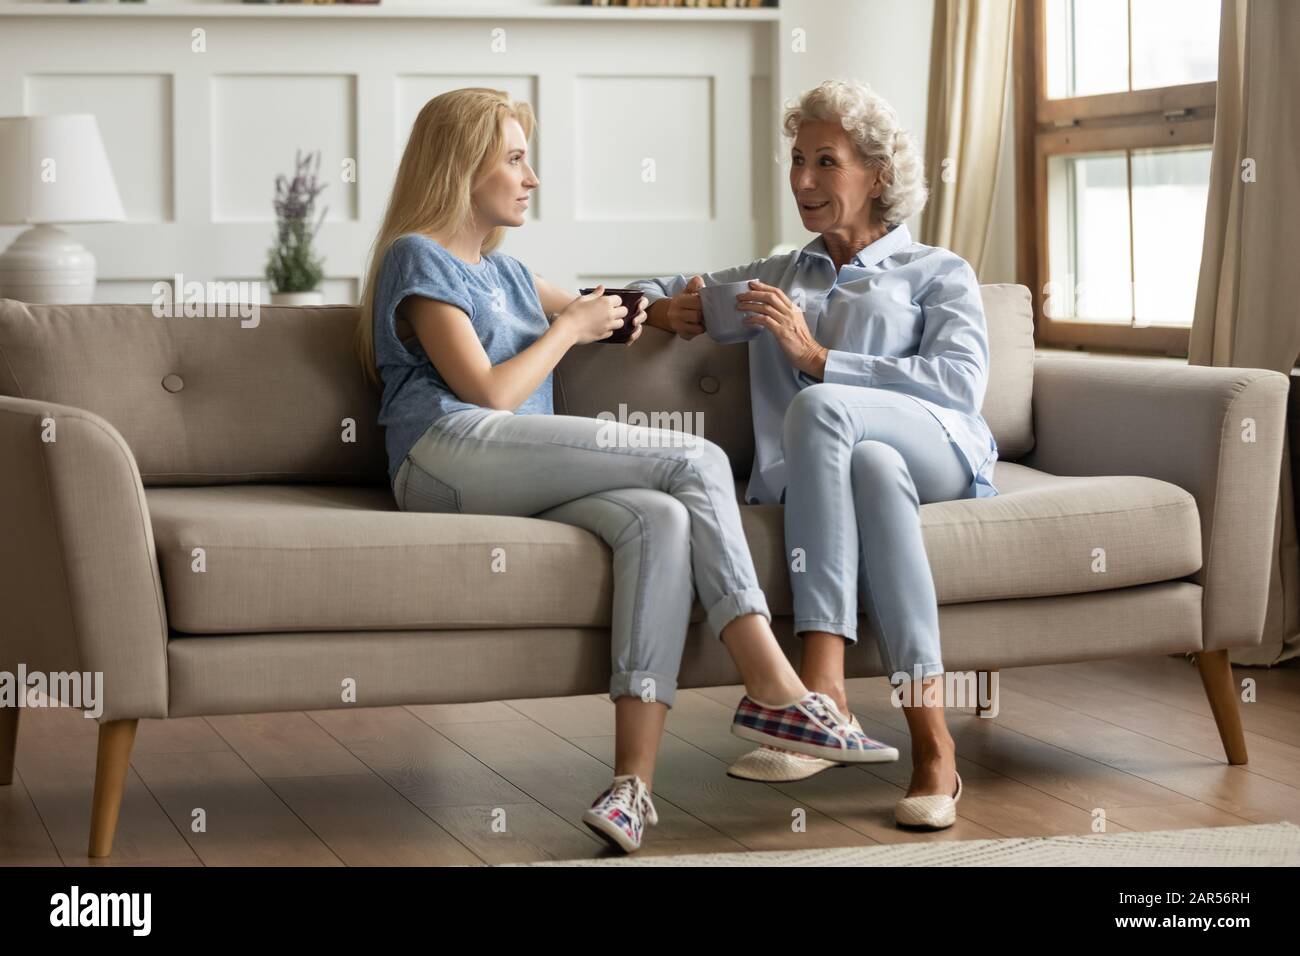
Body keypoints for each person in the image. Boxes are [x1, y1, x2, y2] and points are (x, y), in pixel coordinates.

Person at [354, 87, 894, 854]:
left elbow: (610, 306)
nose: (531, 176)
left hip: (508, 468)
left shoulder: (508, 275)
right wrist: (571, 327)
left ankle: (631, 787)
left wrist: (658, 309)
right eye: (514, 158)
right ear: (460, 167)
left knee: (661, 519)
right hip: (444, 455)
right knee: (697, 459)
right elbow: (490, 393)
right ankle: (774, 686)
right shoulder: (419, 256)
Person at [629, 78, 999, 830]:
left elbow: (959, 387)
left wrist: (820, 357)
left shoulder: (937, 271)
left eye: (825, 162)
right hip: (863, 474)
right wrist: (665, 306)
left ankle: (819, 689)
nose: (802, 181)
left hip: (942, 448)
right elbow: (658, 288)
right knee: (870, 466)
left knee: (825, 405)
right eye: (797, 160)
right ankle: (934, 747)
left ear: (878, 175)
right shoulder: (779, 277)